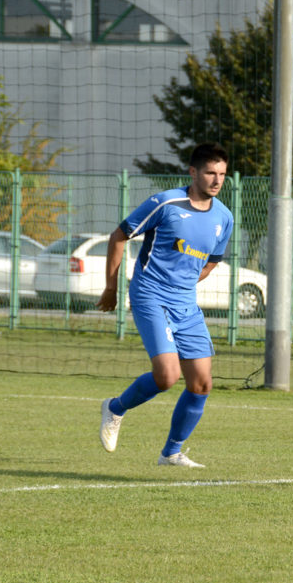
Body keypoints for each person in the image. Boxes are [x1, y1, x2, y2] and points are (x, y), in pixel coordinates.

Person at [96, 142, 234, 468]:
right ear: (193, 172)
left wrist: (184, 284)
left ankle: (171, 452)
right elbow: (119, 236)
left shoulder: (224, 217)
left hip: (185, 302)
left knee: (201, 382)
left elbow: (212, 261)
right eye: (210, 173)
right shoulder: (166, 202)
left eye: (222, 174)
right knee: (167, 376)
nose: (216, 180)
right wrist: (111, 287)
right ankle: (116, 408)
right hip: (150, 295)